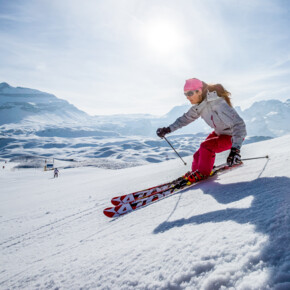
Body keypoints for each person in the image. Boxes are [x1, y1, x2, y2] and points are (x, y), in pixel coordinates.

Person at [156, 78, 247, 184]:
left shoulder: (218, 103)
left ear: (199, 91)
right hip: (220, 133)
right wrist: (168, 129)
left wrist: (235, 150)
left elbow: (239, 125)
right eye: (185, 94)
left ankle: (202, 173)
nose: (188, 97)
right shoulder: (199, 106)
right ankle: (195, 172)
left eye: (190, 93)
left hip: (232, 136)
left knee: (206, 147)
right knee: (197, 155)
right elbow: (185, 119)